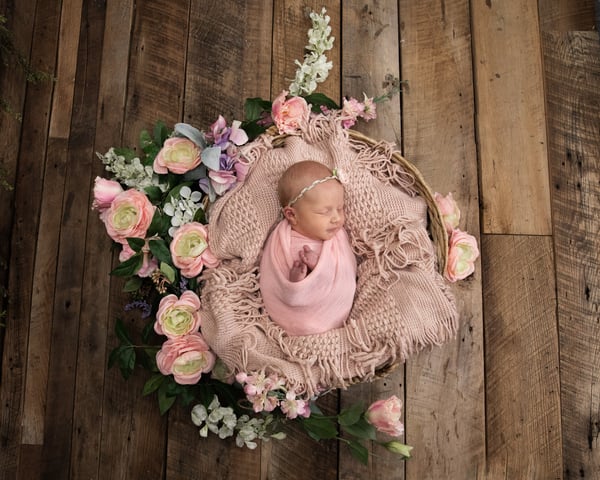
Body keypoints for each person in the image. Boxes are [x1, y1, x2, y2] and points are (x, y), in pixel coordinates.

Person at [258, 160, 357, 336]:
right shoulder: (280, 241)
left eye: (340, 209)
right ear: (292, 215)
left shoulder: (337, 237)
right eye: (324, 212)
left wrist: (320, 266)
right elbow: (273, 276)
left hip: (328, 311)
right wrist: (295, 282)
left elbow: (345, 271)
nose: (336, 218)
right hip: (296, 315)